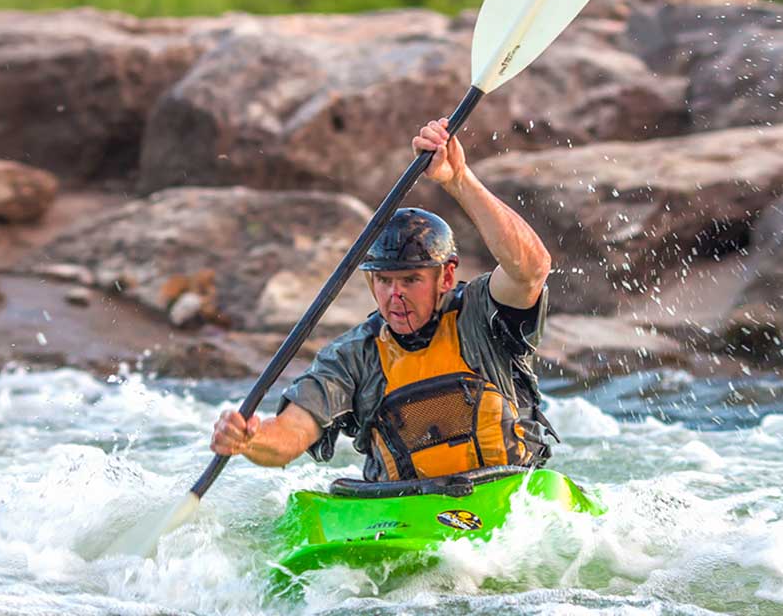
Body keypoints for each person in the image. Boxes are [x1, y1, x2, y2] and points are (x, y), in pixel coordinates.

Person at [208, 118, 557, 482]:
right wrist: (250, 439)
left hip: (512, 501)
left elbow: (531, 269)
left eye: (411, 279)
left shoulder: (481, 318)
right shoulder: (353, 357)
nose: (396, 295)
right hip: (403, 513)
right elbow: (293, 432)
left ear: (447, 276)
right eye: (384, 281)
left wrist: (458, 180)